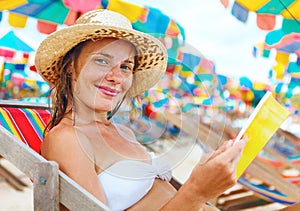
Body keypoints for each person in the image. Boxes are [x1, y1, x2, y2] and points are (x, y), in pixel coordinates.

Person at [35, 9, 247, 211]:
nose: (116, 77)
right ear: (71, 65)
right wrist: (197, 191)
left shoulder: (122, 132)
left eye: (125, 67)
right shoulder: (66, 138)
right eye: (101, 60)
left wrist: (207, 178)